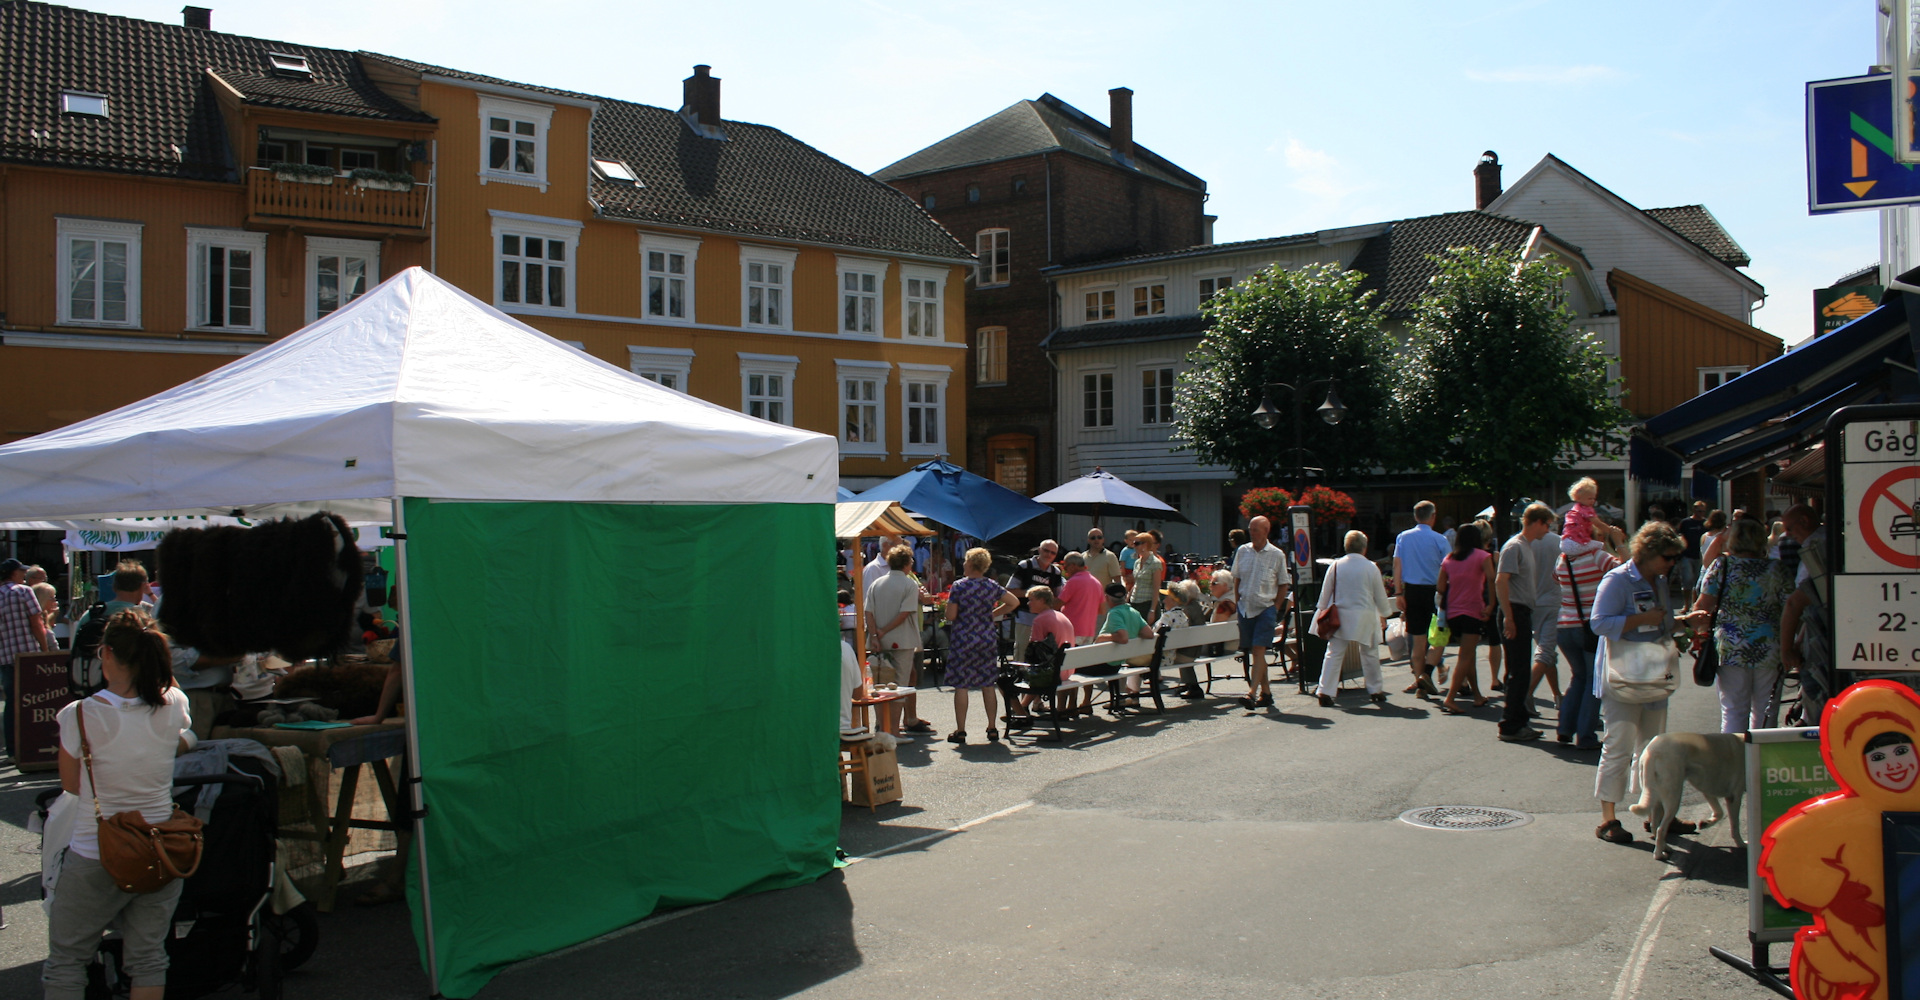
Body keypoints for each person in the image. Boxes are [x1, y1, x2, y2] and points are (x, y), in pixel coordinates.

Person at [45, 609, 195, 1000]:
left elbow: (71, 785)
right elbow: (185, 733)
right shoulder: (173, 704)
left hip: (97, 850)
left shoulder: (79, 716)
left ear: (106, 654)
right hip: (162, 844)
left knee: (67, 959)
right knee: (148, 957)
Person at [1591, 521, 1702, 845]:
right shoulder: (1618, 579)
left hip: (1654, 673)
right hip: (1624, 676)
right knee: (1619, 746)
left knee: (1654, 749)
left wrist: (1684, 623)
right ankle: (1608, 819)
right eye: (1667, 557)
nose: (1672, 563)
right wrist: (1642, 619)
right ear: (1649, 553)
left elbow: (1662, 622)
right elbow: (1598, 623)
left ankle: (1657, 815)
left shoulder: (1661, 581)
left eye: (1674, 558)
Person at [1691, 518, 1793, 734]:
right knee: (1766, 711)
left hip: (1731, 647)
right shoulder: (1777, 569)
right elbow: (1790, 609)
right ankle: (1762, 761)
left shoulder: (1722, 565)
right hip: (1771, 647)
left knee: (1734, 710)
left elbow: (1703, 606)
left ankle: (1735, 761)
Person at [1555, 515, 1621, 749]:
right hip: (1589, 627)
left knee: (1578, 676)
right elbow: (1627, 569)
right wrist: (1619, 542)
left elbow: (1557, 580)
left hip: (1564, 625)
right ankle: (1585, 735)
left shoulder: (1563, 560)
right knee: (1595, 682)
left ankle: (1564, 728)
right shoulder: (1597, 556)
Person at [1494, 506, 1557, 742]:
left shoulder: (1525, 546)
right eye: (1547, 525)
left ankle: (1517, 721)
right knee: (1518, 672)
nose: (1548, 530)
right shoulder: (1515, 546)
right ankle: (1511, 725)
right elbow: (1501, 581)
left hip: (1520, 610)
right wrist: (1509, 617)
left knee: (1518, 670)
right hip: (1515, 610)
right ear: (1537, 522)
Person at [943, 547, 1018, 744]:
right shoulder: (991, 586)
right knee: (987, 684)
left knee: (962, 685)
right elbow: (1013, 602)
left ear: (970, 563)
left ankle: (961, 730)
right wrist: (992, 614)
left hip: (963, 639)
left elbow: (950, 615)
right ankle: (992, 727)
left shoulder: (959, 586)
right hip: (985, 638)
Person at [1313, 530, 1393, 707]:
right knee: (1370, 653)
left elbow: (1325, 594)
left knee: (1333, 654)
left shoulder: (1335, 565)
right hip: (1365, 615)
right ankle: (1375, 690)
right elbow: (1380, 595)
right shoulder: (1371, 567)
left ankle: (1325, 691)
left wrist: (1320, 614)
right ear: (1364, 548)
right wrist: (1385, 613)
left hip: (1340, 616)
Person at [1394, 501, 1452, 698]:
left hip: (1411, 591)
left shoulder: (1403, 537)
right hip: (1435, 593)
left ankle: (1420, 682)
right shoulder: (1440, 539)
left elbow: (1397, 566)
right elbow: (1448, 568)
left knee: (1417, 640)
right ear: (1433, 516)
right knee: (1439, 636)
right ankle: (1426, 675)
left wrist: (1398, 593)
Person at [1232, 516, 1290, 710]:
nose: (1252, 533)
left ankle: (1251, 693)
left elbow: (1283, 583)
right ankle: (1266, 693)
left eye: (1256, 529)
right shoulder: (1243, 551)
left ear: (1266, 531)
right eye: (1250, 529)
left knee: (1259, 650)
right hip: (1246, 607)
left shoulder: (1276, 554)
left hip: (1266, 607)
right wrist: (1237, 600)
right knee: (1256, 653)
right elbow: (1237, 578)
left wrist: (1276, 606)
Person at [1779, 504, 1831, 719]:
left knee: (1817, 700)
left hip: (1823, 639)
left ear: (1805, 521)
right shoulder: (1823, 542)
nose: (1788, 535)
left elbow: (1797, 603)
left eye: (1790, 528)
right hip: (1817, 629)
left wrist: (1786, 649)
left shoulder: (1817, 547)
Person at [866, 545, 925, 734]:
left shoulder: (877, 583)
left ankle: (882, 725)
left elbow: (868, 612)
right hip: (902, 639)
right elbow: (905, 613)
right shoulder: (910, 584)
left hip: (878, 640)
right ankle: (893, 730)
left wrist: (875, 634)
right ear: (907, 563)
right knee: (899, 685)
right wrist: (882, 631)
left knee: (879, 683)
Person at [1436, 523, 1493, 714]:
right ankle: (1450, 698)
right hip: (1473, 609)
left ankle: (1477, 694)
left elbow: (1441, 587)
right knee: (1466, 655)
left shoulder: (1449, 559)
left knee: (1468, 654)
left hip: (1453, 612)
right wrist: (1491, 604)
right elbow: (1492, 578)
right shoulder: (1482, 556)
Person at [2, 556, 53, 760]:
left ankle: (13, 750)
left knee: (12, 702)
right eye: (21, 572)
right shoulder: (24, 591)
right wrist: (44, 647)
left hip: (5, 656)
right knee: (37, 702)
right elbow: (36, 622)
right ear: (14, 574)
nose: (24, 575)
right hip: (29, 654)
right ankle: (34, 745)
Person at [1522, 507, 1565, 711]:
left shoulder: (1523, 542)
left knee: (1546, 651)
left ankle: (1557, 695)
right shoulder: (1559, 543)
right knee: (1546, 651)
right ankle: (1526, 693)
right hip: (1553, 600)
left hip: (1531, 602)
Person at [1006, 540, 1063, 655]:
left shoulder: (1055, 572)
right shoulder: (1025, 566)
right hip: (1024, 616)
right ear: (1039, 550)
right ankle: (1020, 672)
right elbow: (1010, 591)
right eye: (1046, 551)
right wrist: (1032, 593)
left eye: (1053, 553)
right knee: (1021, 649)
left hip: (1045, 619)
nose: (1049, 555)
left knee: (1042, 651)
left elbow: (1058, 598)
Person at [1124, 532, 1164, 622]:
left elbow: (1156, 587)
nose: (1134, 546)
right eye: (1134, 543)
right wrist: (1128, 598)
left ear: (1145, 544)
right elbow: (1136, 582)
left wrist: (1152, 610)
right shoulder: (1137, 562)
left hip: (1147, 603)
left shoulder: (1155, 563)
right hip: (1135, 602)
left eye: (1137, 543)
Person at [1560, 477, 1604, 560]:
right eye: (1590, 498)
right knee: (1601, 546)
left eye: (1594, 498)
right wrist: (1611, 531)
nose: (1593, 501)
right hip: (1576, 543)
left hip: (1564, 543)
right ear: (1579, 498)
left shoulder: (1574, 509)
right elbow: (1598, 524)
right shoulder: (1586, 509)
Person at [1678, 501, 1708, 602]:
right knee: (1687, 580)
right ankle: (1686, 604)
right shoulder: (1686, 523)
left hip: (1701, 555)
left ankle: (1695, 604)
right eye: (1699, 511)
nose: (1701, 514)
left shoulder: (1706, 523)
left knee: (1699, 582)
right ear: (1694, 510)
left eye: (1703, 511)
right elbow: (1680, 535)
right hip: (1687, 555)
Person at [1697, 509, 1729, 587]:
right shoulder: (1723, 538)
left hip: (1703, 572)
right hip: (1716, 574)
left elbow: (1702, 555)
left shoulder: (1704, 536)